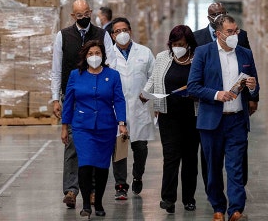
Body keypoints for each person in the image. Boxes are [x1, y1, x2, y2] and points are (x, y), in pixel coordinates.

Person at [188, 15, 259, 221]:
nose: (234, 35)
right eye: (230, 32)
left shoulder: (245, 54)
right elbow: (193, 86)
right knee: (213, 166)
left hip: (236, 119)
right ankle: (218, 206)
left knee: (235, 167)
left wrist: (253, 89)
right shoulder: (203, 53)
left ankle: (236, 209)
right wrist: (217, 94)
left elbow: (254, 86)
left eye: (236, 31)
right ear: (218, 34)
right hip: (212, 121)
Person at [50, 0, 116, 209]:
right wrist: (55, 98)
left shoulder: (102, 35)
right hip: (73, 97)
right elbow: (55, 68)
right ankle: (71, 189)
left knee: (96, 146)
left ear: (91, 12)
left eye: (86, 13)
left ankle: (94, 191)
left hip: (98, 97)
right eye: (79, 15)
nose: (83, 18)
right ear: (73, 17)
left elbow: (112, 63)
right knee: (72, 144)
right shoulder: (63, 36)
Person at [60, 40, 128, 218]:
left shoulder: (112, 75)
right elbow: (68, 103)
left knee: (101, 167)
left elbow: (119, 100)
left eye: (97, 53)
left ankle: (97, 202)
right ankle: (85, 205)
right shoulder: (76, 75)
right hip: (82, 127)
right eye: (90, 54)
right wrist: (64, 127)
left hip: (106, 127)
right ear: (85, 56)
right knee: (85, 164)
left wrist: (122, 123)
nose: (94, 57)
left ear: (103, 55)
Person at [141, 25, 200, 214]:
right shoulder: (162, 58)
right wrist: (145, 93)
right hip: (169, 116)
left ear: (189, 44)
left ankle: (189, 198)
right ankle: (168, 198)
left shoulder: (198, 59)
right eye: (174, 44)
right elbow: (155, 79)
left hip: (193, 116)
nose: (177, 47)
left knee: (190, 158)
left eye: (181, 44)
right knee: (171, 157)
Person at [109, 17, 156, 200]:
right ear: (112, 36)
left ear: (131, 31)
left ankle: (138, 175)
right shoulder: (108, 56)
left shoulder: (144, 52)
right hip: (117, 109)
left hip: (139, 107)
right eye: (117, 31)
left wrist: (148, 94)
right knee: (119, 148)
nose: (122, 34)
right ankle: (121, 185)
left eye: (125, 30)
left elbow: (154, 77)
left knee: (141, 148)